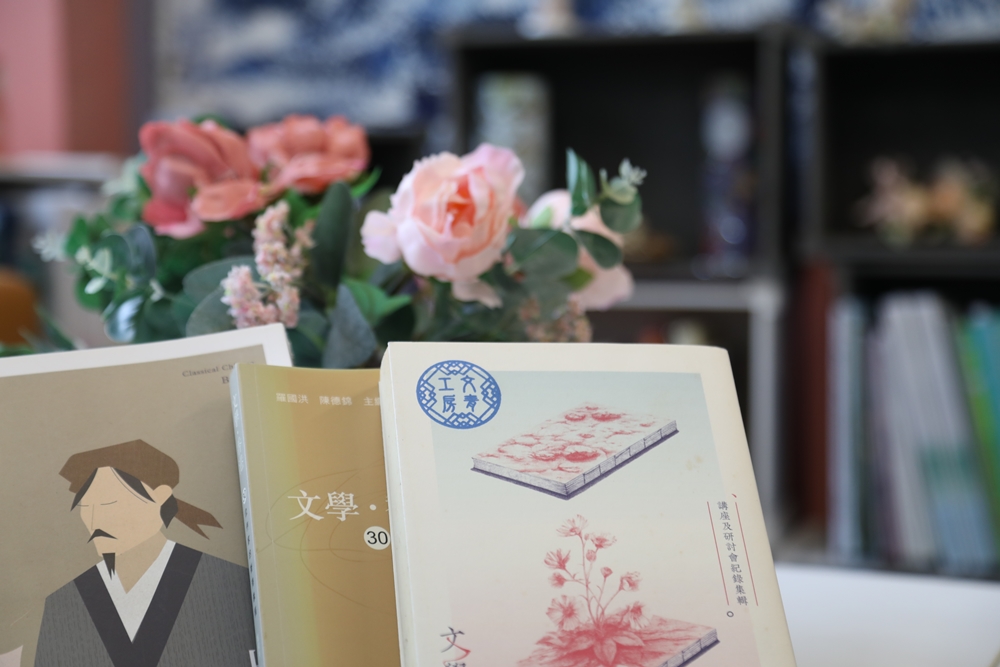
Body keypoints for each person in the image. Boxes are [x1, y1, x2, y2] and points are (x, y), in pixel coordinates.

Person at [34, 440, 256, 667]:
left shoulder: (227, 580)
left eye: (108, 504)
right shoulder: (65, 602)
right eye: (85, 507)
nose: (94, 522)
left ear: (160, 497)